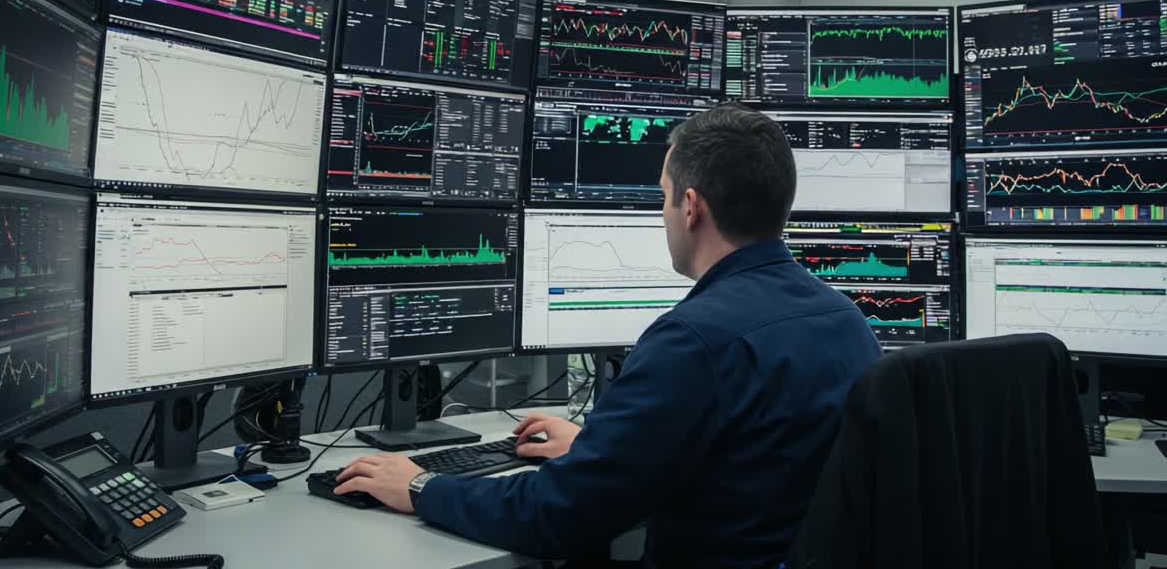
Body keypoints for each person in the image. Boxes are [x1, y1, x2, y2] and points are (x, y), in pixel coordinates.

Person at [335, 102, 882, 568]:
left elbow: (559, 518)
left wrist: (421, 486)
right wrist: (598, 451)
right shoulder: (845, 320)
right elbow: (750, 470)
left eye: (663, 195)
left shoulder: (692, 341)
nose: (663, 212)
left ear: (691, 208)